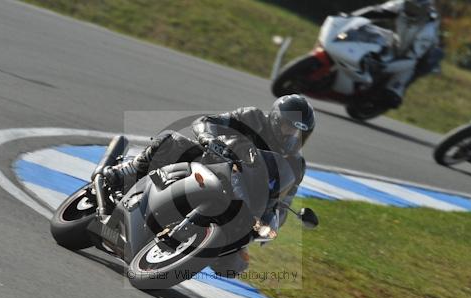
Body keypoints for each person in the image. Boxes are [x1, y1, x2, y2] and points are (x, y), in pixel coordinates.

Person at [104, 95, 316, 274]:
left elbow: (285, 198)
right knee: (173, 143)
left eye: (299, 133)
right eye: (289, 126)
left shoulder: (296, 164)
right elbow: (207, 121)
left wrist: (275, 219)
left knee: (234, 265)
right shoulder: (252, 117)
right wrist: (208, 137)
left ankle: (190, 250)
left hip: (243, 199)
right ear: (277, 120)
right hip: (212, 164)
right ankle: (127, 171)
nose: (292, 135)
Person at [351, 0, 441, 108]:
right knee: (369, 33)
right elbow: (377, 10)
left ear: (424, 10)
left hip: (416, 56)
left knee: (393, 92)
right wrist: (352, 17)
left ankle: (396, 91)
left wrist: (383, 67)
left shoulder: (427, 32)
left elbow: (411, 57)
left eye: (415, 8)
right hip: (395, 41)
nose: (410, 10)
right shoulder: (401, 4)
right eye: (409, 5)